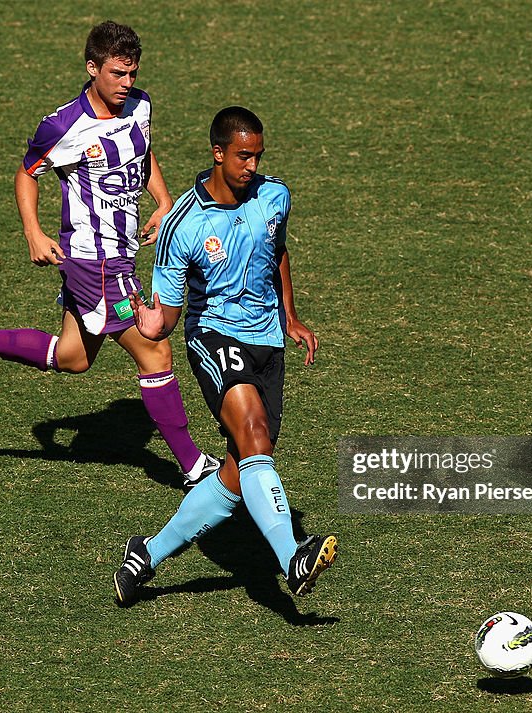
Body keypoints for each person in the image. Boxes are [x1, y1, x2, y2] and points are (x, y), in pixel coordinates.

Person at [0, 21, 217, 487]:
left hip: (122, 253)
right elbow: (26, 173)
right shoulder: (63, 125)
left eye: (132, 73)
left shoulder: (140, 105)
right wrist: (33, 232)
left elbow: (143, 152)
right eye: (117, 74)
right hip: (95, 262)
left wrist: (164, 199)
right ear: (93, 68)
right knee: (155, 349)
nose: (127, 83)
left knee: (73, 357)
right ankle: (194, 466)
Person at [113, 106, 337, 607]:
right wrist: (137, 314)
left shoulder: (274, 196)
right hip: (214, 337)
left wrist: (291, 315)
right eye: (242, 156)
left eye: (257, 156)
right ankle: (292, 559)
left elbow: (276, 250)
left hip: (268, 341)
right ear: (218, 153)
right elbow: (165, 319)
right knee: (254, 433)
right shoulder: (183, 225)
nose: (251, 166)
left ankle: (146, 554)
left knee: (241, 469)